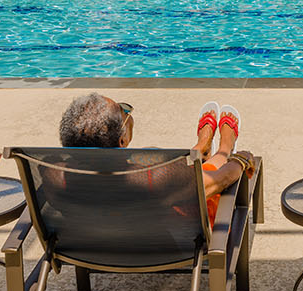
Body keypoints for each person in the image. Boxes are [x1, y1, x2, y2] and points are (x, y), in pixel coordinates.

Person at [58, 94, 255, 222]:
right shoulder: (153, 178)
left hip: (93, 246)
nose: (128, 113)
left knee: (152, 152)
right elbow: (218, 181)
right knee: (208, 174)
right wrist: (240, 161)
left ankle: (199, 148)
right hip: (167, 244)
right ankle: (225, 149)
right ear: (122, 140)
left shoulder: (53, 174)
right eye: (124, 111)